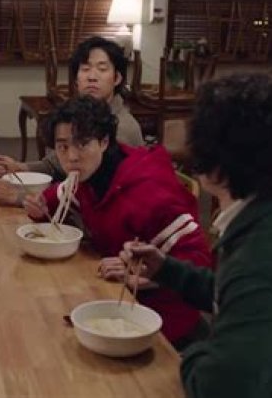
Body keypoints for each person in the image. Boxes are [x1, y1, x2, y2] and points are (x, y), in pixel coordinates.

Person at [120, 74, 272, 397]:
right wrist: (167, 270)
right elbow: (235, 294)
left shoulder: (262, 260)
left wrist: (194, 351)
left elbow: (217, 387)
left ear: (214, 159)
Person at [24, 96, 212, 349]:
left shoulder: (149, 190)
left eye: (82, 144)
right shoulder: (90, 176)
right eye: (63, 147)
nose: (72, 157)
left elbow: (200, 262)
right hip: (113, 297)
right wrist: (38, 208)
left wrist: (145, 272)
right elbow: (55, 198)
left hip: (163, 324)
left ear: (104, 142)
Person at [0, 36, 144, 205]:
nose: (92, 77)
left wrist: (21, 197)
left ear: (117, 78)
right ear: (76, 80)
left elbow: (89, 193)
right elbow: (55, 164)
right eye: (85, 69)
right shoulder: (80, 114)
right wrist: (18, 168)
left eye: (102, 69)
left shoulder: (121, 127)